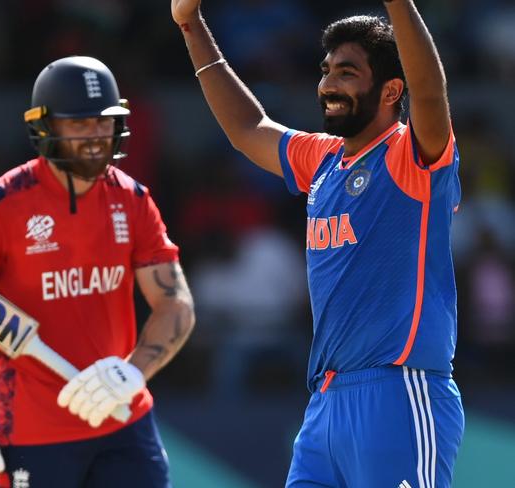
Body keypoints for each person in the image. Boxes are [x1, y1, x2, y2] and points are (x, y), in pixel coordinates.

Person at [171, 0, 463, 487]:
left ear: (391, 89)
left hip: (399, 391)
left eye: (347, 72)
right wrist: (190, 24)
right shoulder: (324, 161)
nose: (327, 84)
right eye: (325, 71)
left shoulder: (411, 157)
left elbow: (430, 94)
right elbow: (248, 130)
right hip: (325, 404)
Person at [0, 56, 195, 488]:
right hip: (31, 432)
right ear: (45, 127)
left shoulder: (133, 199)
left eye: (103, 123)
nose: (94, 137)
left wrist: (133, 372)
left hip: (122, 419)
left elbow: (175, 303)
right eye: (79, 124)